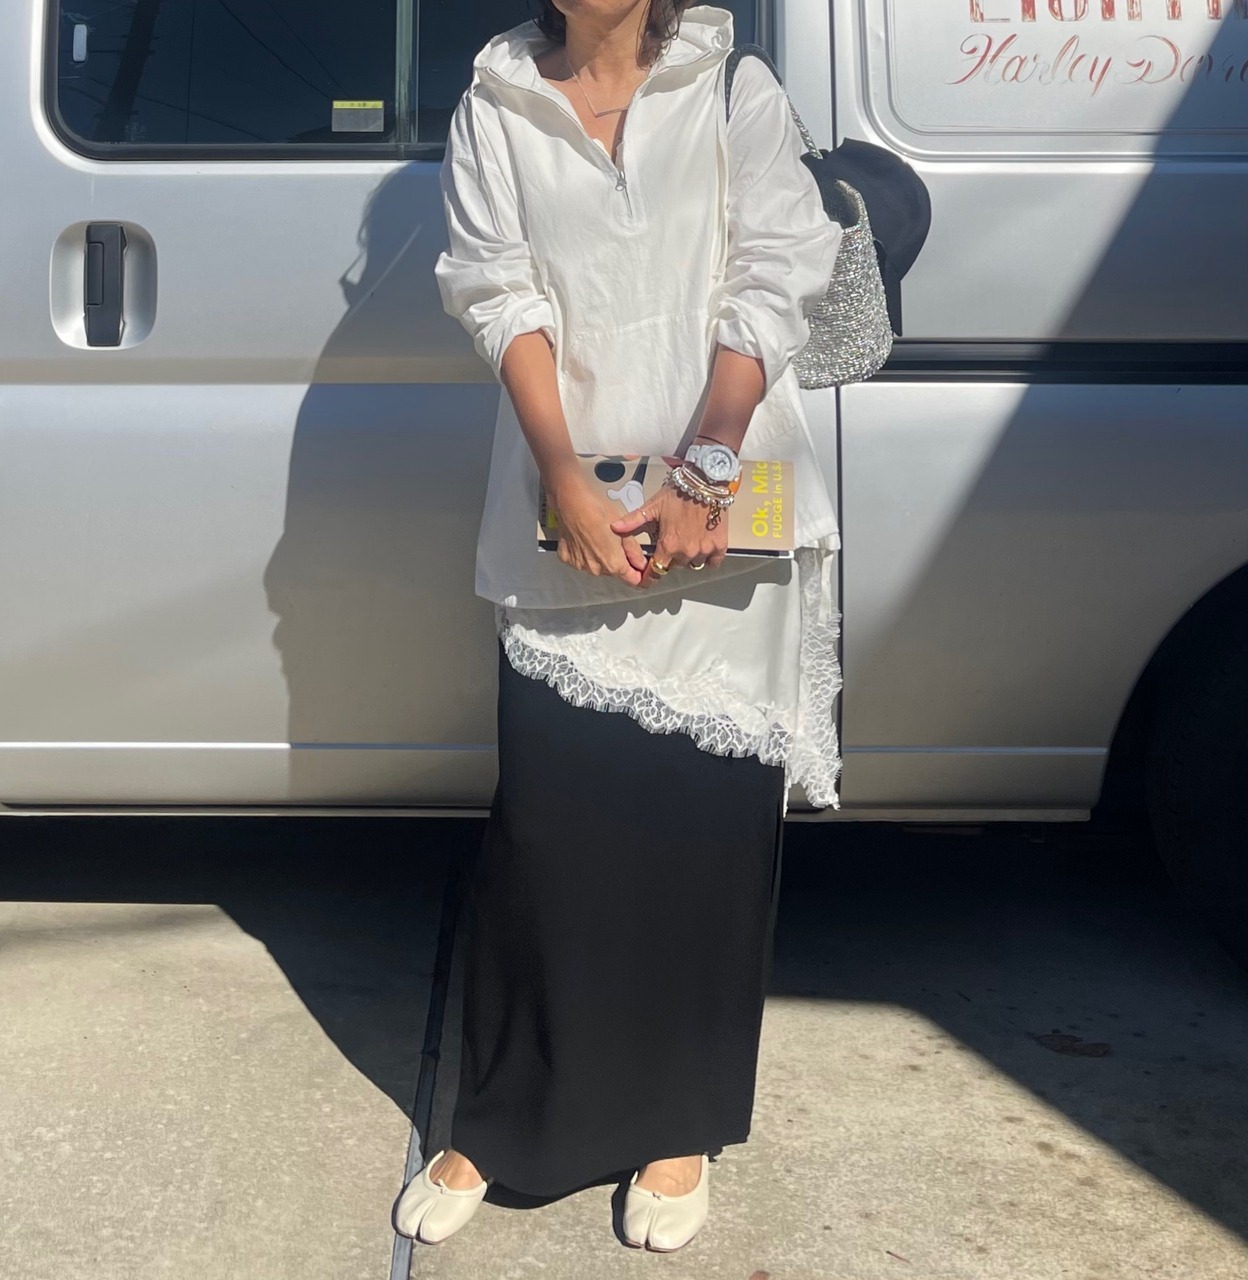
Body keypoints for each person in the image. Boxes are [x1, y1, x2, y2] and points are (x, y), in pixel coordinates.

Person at [395, 0, 843, 1253]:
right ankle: (505, 1119)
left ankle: (676, 1121)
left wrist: (704, 466)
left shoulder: (731, 87)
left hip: (721, 505)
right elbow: (497, 293)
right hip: (568, 517)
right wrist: (564, 477)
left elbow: (777, 270)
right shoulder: (495, 102)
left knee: (702, 830)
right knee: (549, 831)